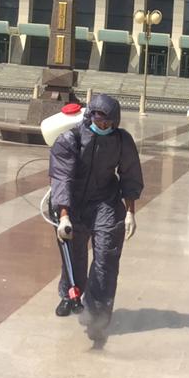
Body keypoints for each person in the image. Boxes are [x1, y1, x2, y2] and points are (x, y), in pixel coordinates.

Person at [50, 93, 143, 338]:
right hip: (72, 202)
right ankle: (70, 294)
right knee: (74, 254)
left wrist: (130, 212)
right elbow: (62, 178)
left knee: (106, 257)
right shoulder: (70, 139)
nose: (102, 125)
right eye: (98, 120)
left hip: (105, 201)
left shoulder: (121, 141)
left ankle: (97, 312)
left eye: (107, 121)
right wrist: (64, 215)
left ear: (115, 120)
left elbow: (130, 174)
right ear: (90, 116)